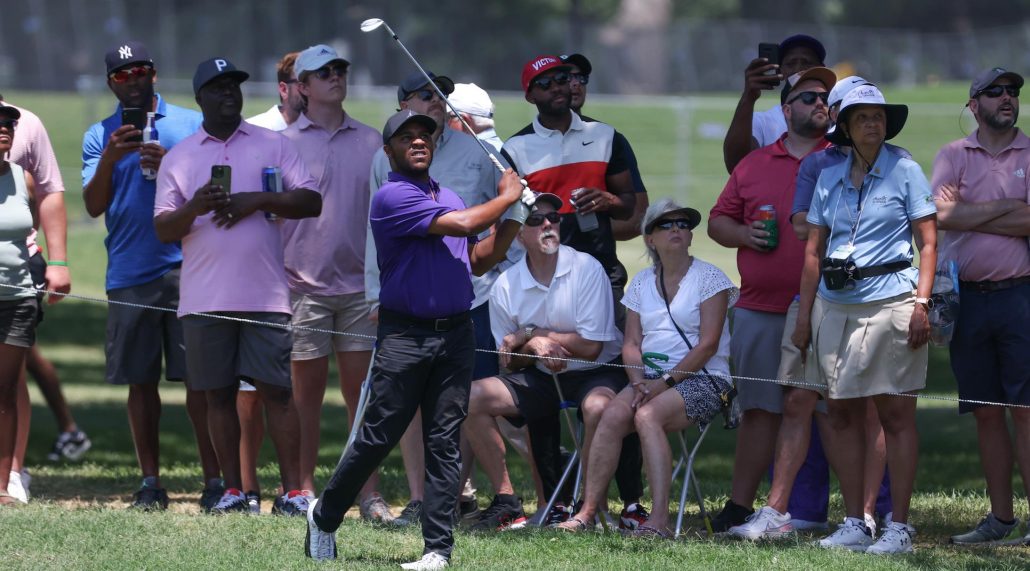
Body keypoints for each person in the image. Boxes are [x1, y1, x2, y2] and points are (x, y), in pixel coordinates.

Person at [305, 109, 527, 570]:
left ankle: (437, 551)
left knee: (443, 441)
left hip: (455, 334)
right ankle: (324, 517)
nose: (418, 141)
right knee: (377, 436)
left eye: (425, 134)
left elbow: (479, 259)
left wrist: (516, 219)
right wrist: (507, 196)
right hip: (406, 335)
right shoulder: (391, 197)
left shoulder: (447, 195)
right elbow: (465, 226)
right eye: (406, 137)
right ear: (389, 152)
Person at [729, 75, 900, 540]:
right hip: (817, 297)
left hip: (877, 300)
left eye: (870, 116)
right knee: (800, 399)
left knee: (864, 408)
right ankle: (777, 510)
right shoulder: (817, 164)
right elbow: (804, 229)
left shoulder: (898, 163)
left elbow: (912, 228)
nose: (858, 122)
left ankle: (866, 515)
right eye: (854, 115)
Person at [153, 56, 322, 515]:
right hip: (204, 298)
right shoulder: (181, 156)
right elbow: (165, 229)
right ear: (199, 98)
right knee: (218, 394)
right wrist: (195, 207)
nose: (229, 93)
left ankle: (292, 493)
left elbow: (310, 201)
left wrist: (257, 200)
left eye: (234, 86)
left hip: (266, 294)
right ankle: (233, 491)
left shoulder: (274, 144)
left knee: (278, 393)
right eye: (218, 87)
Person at [364, 70, 511, 526]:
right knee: (406, 405)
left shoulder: (480, 150)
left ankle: (450, 496)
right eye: (424, 94)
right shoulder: (383, 161)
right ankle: (418, 496)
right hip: (407, 299)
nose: (435, 101)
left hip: (473, 296)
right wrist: (375, 293)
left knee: (459, 402)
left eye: (441, 94)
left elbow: (498, 222)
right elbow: (376, 236)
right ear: (402, 104)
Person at [794, 84, 937, 554]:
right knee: (840, 412)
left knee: (895, 414)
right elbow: (813, 251)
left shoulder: (907, 170)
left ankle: (899, 526)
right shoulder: (830, 176)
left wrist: (921, 303)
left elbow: (928, 243)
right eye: (863, 118)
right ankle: (856, 521)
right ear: (847, 130)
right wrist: (803, 318)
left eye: (879, 116)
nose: (873, 124)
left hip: (893, 300)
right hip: (834, 305)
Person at [501, 54, 642, 525]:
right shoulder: (514, 150)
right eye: (545, 81)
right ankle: (557, 499)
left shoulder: (606, 137)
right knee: (542, 385)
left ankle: (631, 502)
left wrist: (608, 201)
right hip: (538, 279)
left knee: (617, 388)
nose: (558, 86)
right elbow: (509, 217)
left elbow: (633, 214)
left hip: (603, 275)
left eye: (564, 78)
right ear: (530, 95)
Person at [81, 41, 221, 511]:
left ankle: (215, 481)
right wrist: (109, 159)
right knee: (140, 383)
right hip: (129, 270)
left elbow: (215, 187)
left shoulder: (189, 124)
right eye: (123, 75)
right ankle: (150, 482)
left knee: (200, 381)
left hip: (188, 266)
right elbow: (93, 204)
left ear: (154, 74)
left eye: (140, 70)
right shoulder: (99, 135)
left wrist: (172, 168)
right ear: (111, 83)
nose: (133, 80)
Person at [707, 67, 837, 533]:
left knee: (833, 412)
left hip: (829, 307)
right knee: (760, 410)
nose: (818, 103)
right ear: (785, 111)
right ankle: (743, 506)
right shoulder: (755, 163)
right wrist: (745, 233)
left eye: (825, 97)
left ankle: (867, 514)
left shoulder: (844, 159)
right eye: (807, 98)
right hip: (760, 307)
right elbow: (717, 222)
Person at [558, 199, 736, 537]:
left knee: (646, 416)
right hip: (650, 379)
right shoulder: (640, 282)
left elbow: (708, 345)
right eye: (666, 225)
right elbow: (631, 344)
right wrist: (638, 381)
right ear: (650, 239)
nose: (677, 230)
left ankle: (658, 521)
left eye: (683, 224)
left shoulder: (711, 278)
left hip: (706, 379)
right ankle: (588, 512)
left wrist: (664, 382)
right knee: (610, 415)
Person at [463, 193, 627, 531]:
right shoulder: (506, 284)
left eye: (553, 218)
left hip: (595, 372)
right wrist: (534, 346)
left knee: (598, 407)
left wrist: (534, 333)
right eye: (535, 220)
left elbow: (592, 347)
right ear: (519, 235)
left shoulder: (587, 268)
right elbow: (509, 360)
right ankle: (508, 499)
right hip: (539, 375)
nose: (547, 224)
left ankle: (588, 509)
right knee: (469, 397)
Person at [280, 45, 383, 517]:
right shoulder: (282, 143)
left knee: (361, 401)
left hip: (361, 290)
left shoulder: (371, 141)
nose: (335, 77)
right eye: (323, 72)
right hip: (301, 289)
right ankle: (302, 490)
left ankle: (369, 494)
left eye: (340, 68)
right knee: (305, 400)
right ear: (302, 87)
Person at [931, 68, 1030, 546]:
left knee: (1027, 410)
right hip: (965, 301)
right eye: (995, 92)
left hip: (1020, 296)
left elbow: (959, 215)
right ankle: (1001, 520)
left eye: (1012, 91)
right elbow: (939, 215)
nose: (1007, 98)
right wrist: (1009, 209)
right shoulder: (953, 154)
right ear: (974, 104)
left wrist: (970, 210)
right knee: (987, 412)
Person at [0, 94, 80, 503]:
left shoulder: (26, 123)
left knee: (11, 377)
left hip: (20, 266)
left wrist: (59, 261)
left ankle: (12, 472)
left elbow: (49, 190)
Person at [239, 49, 302, 514]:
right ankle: (245, 486)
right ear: (285, 87)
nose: (311, 87)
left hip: (317, 274)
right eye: (305, 80)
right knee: (249, 391)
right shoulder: (257, 132)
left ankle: (296, 488)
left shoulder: (337, 132)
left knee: (289, 390)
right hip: (263, 273)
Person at [0, 105, 45, 505]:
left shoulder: (23, 179)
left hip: (17, 300)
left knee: (7, 391)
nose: (4, 130)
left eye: (8, 125)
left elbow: (31, 230)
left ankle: (2, 486)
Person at [560, 53, 649, 242]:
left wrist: (589, 230)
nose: (576, 84)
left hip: (597, 264)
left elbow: (638, 216)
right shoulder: (521, 145)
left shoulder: (608, 138)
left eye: (581, 78)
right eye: (567, 77)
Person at [722, 34, 827, 173]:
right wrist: (748, 96)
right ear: (780, 71)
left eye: (807, 63)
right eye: (790, 63)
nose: (799, 68)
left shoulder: (838, 117)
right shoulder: (763, 122)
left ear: (822, 69)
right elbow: (736, 167)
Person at [246, 51, 304, 130]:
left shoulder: (324, 131)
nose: (309, 89)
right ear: (284, 89)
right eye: (302, 83)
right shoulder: (251, 130)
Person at [447, 83, 503, 151]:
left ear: (466, 121)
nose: (443, 124)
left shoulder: (467, 156)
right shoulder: (502, 150)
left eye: (447, 117)